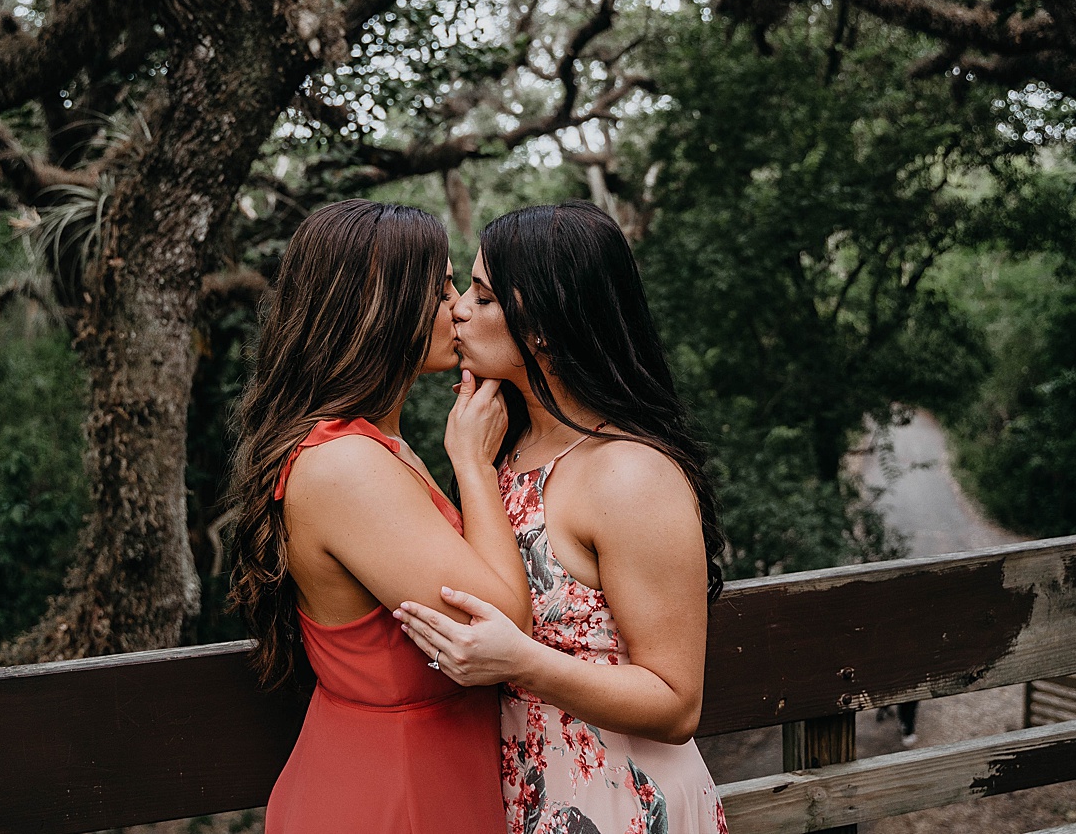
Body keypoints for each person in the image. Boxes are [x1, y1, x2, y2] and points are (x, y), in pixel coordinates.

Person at [395, 200, 729, 834]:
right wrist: (469, 461)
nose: (459, 309)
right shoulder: (506, 451)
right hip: (525, 793)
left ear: (543, 326)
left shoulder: (629, 473)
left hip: (617, 800)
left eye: (484, 297)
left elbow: (677, 701)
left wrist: (520, 661)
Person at [226, 199, 529, 834]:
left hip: (430, 773)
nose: (458, 305)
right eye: (441, 284)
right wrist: (472, 465)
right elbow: (502, 625)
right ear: (380, 305)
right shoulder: (344, 468)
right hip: (392, 796)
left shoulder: (372, 445)